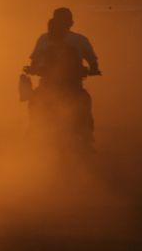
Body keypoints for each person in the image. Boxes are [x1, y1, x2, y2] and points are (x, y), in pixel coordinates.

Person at [26, 8, 100, 147]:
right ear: (70, 23)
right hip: (72, 86)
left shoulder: (44, 39)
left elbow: (34, 61)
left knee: (35, 103)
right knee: (84, 103)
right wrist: (93, 70)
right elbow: (92, 61)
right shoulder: (79, 39)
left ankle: (33, 134)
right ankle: (87, 139)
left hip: (49, 86)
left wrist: (33, 69)